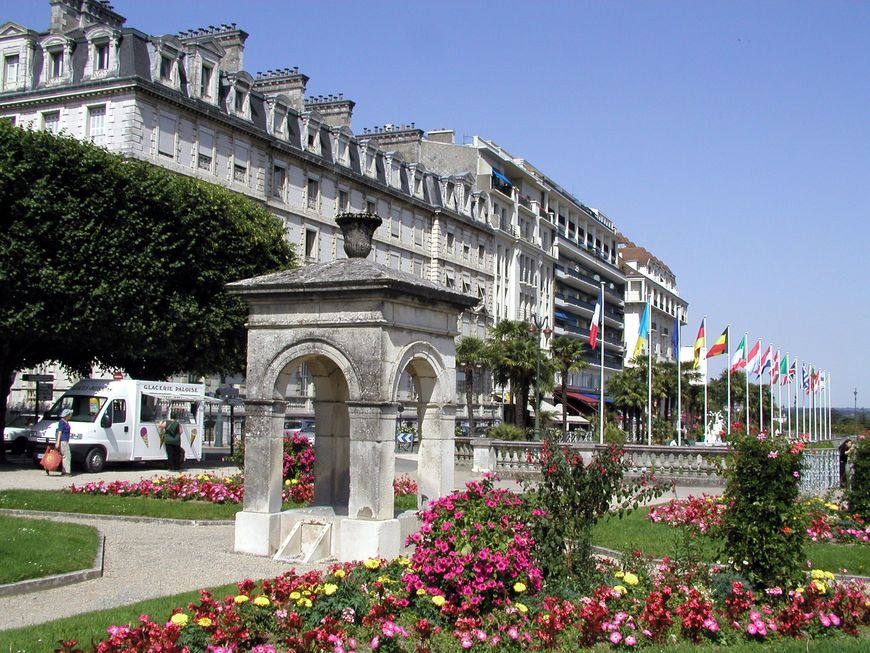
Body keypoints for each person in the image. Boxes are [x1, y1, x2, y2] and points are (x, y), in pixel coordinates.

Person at [54, 408, 73, 476]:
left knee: (66, 455)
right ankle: (66, 471)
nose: (71, 415)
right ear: (66, 415)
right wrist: (58, 442)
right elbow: (60, 432)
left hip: (65, 440)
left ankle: (64, 471)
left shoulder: (66, 422)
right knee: (67, 456)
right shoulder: (62, 422)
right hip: (63, 441)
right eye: (69, 414)